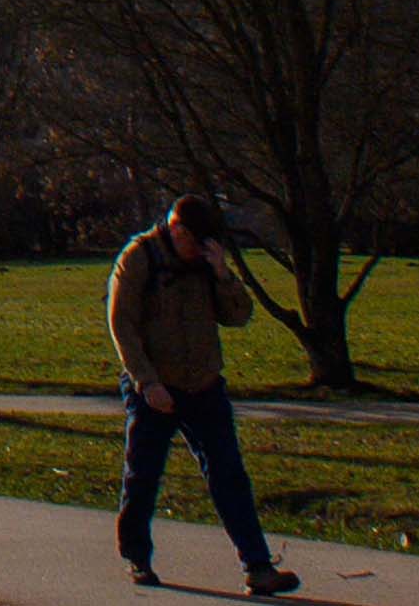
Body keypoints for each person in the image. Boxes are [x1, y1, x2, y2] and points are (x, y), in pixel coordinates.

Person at [106, 192, 298, 597]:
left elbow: (239, 316)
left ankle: (258, 568)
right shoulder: (139, 258)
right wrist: (146, 382)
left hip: (204, 385)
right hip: (155, 386)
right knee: (143, 475)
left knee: (230, 476)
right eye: (195, 243)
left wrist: (223, 274)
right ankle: (137, 558)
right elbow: (121, 325)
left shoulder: (207, 265)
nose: (200, 251)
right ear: (177, 230)